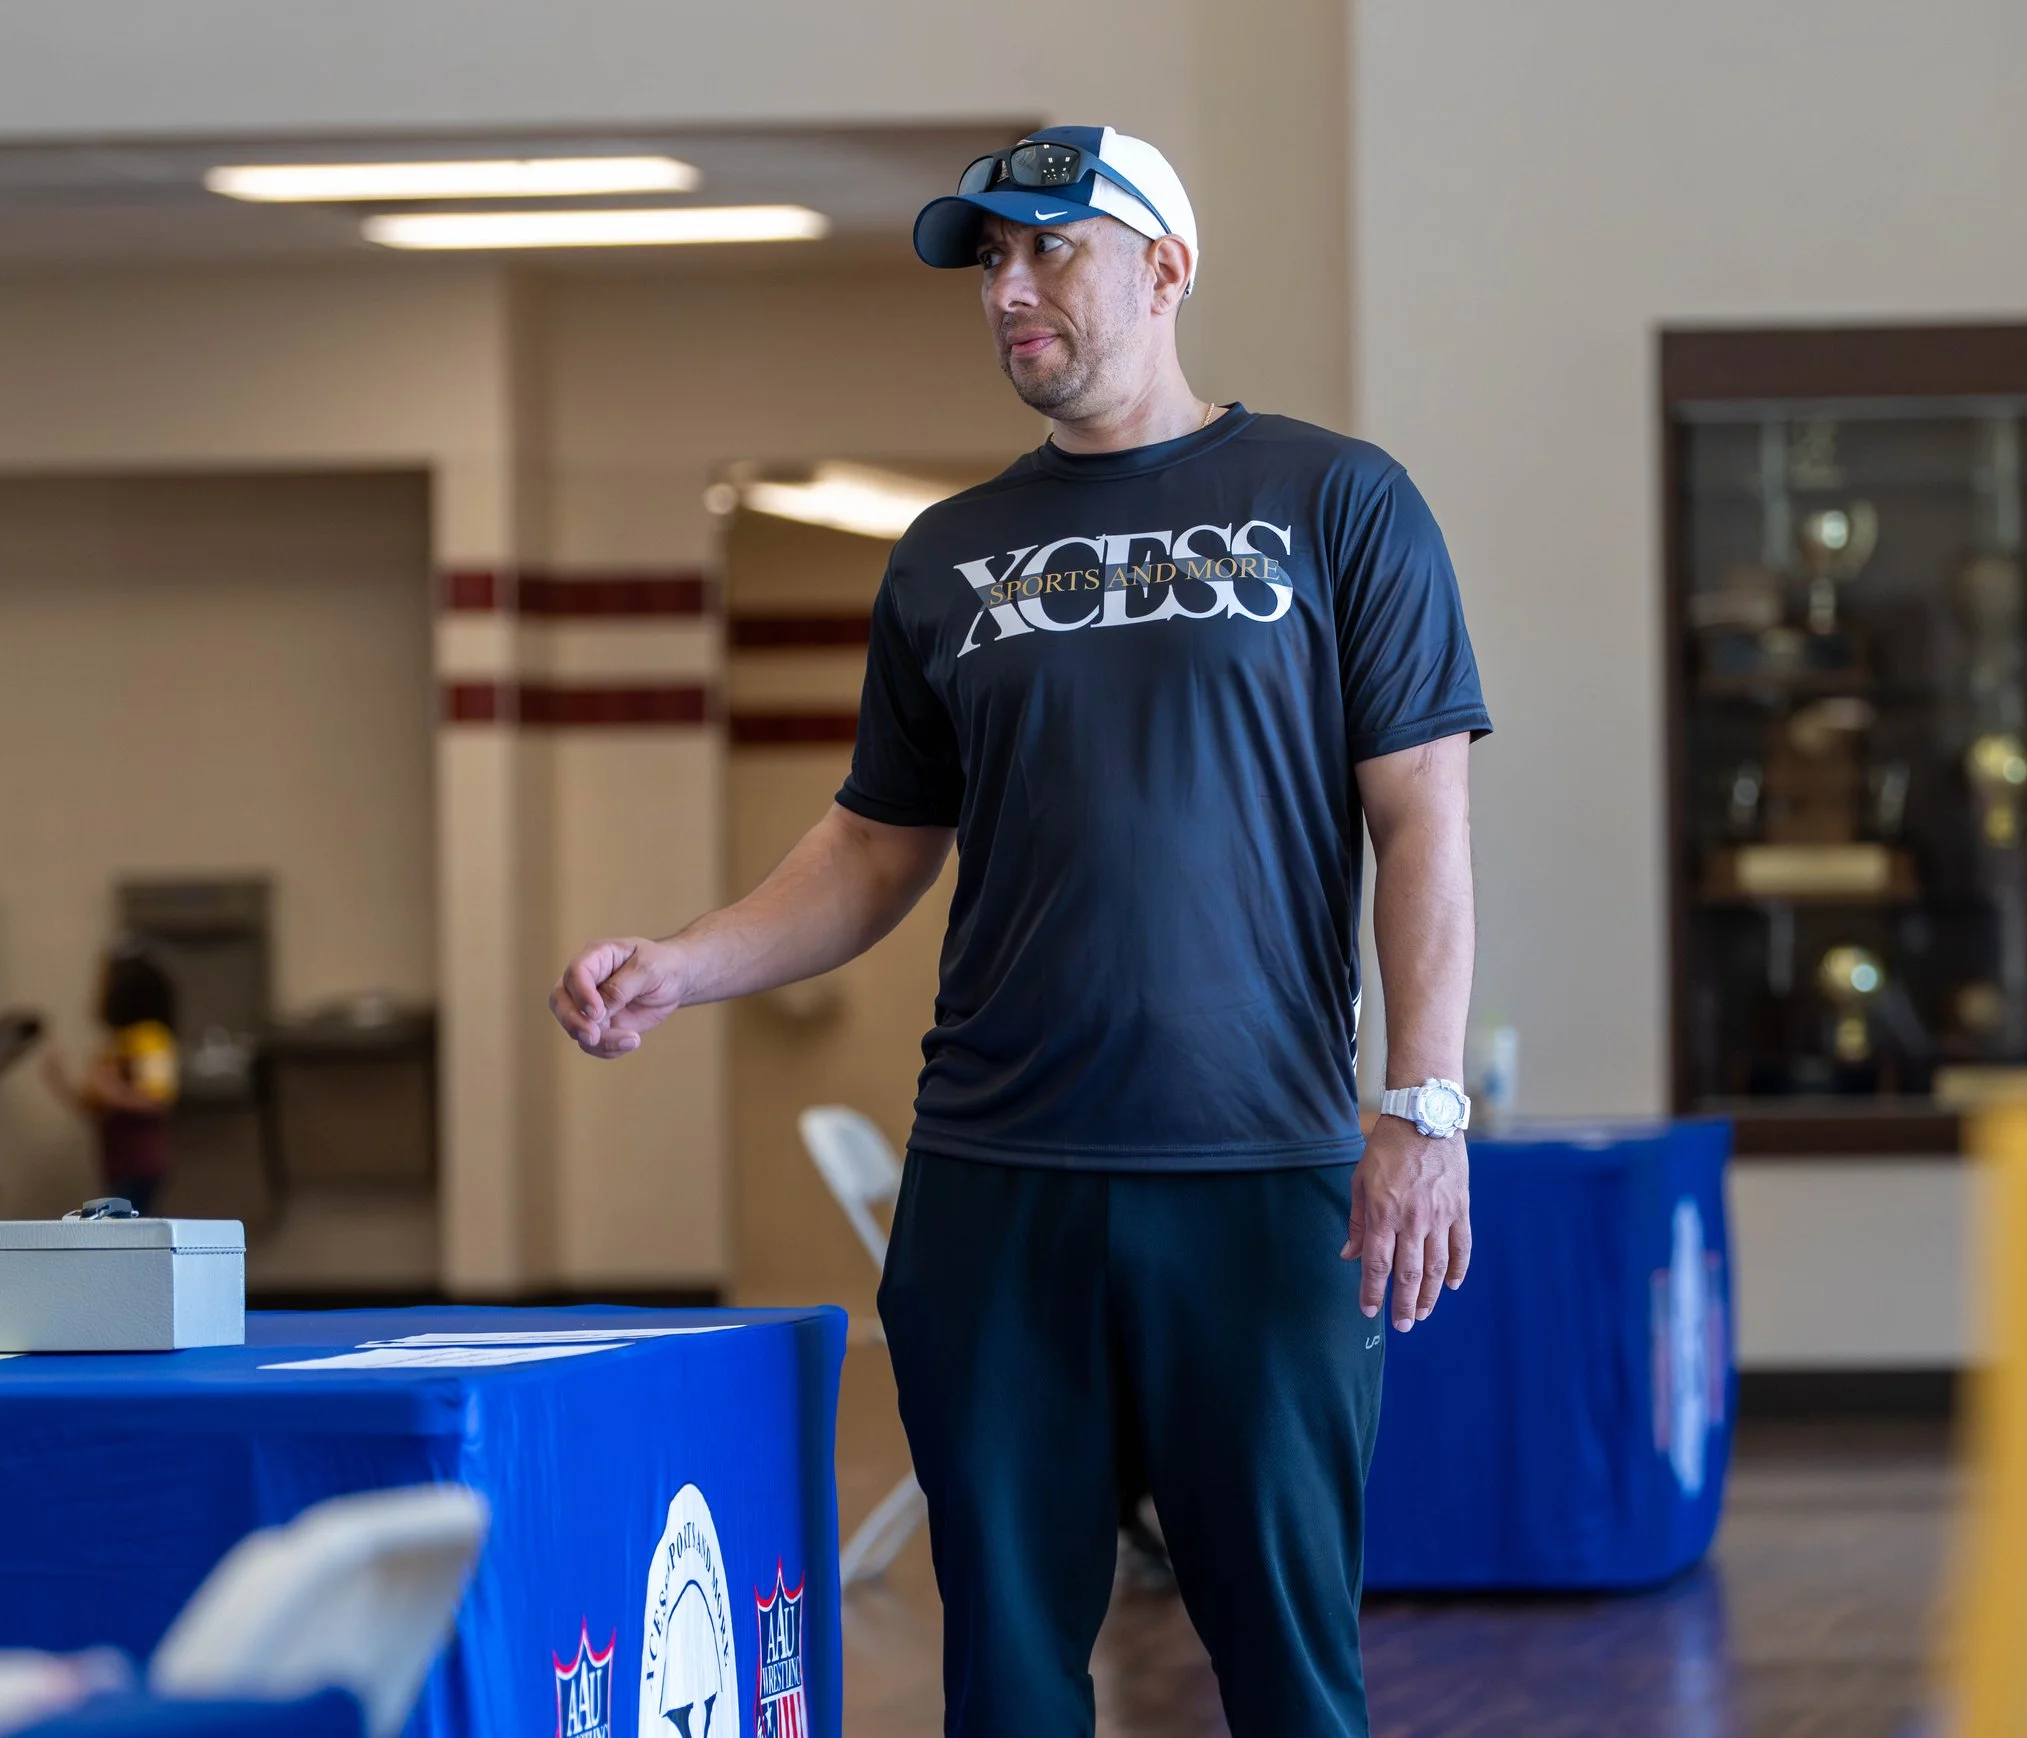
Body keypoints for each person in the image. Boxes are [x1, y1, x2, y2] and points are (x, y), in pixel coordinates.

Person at [550, 123, 1489, 1738]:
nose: (1009, 288)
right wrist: (685, 960)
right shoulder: (946, 561)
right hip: (996, 1187)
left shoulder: (1336, 504)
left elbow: (1422, 822)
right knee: (1005, 1670)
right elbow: (869, 847)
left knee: (1289, 1668)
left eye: (1049, 246)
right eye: (989, 258)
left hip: (1257, 1186)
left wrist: (1422, 1102)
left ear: (1166, 268)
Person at [42, 942, 180, 1215]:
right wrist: (61, 1082)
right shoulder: (118, 1043)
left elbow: (156, 1099)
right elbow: (96, 1106)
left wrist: (111, 1091)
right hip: (119, 1163)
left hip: (141, 1163)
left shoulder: (150, 1039)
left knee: (126, 1232)